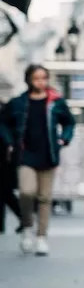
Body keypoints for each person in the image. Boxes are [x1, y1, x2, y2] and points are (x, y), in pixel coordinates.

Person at [0, 65, 75, 255]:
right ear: (29, 80)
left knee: (44, 198)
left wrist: (63, 139)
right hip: (25, 155)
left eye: (43, 78)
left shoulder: (55, 102)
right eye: (36, 78)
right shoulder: (18, 103)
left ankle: (41, 237)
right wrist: (9, 142)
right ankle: (27, 227)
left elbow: (69, 122)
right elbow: (3, 123)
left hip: (48, 154)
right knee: (26, 192)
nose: (40, 82)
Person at [0, 100, 23, 235]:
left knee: (5, 191)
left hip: (6, 158)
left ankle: (23, 218)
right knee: (4, 192)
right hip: (7, 157)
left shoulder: (7, 109)